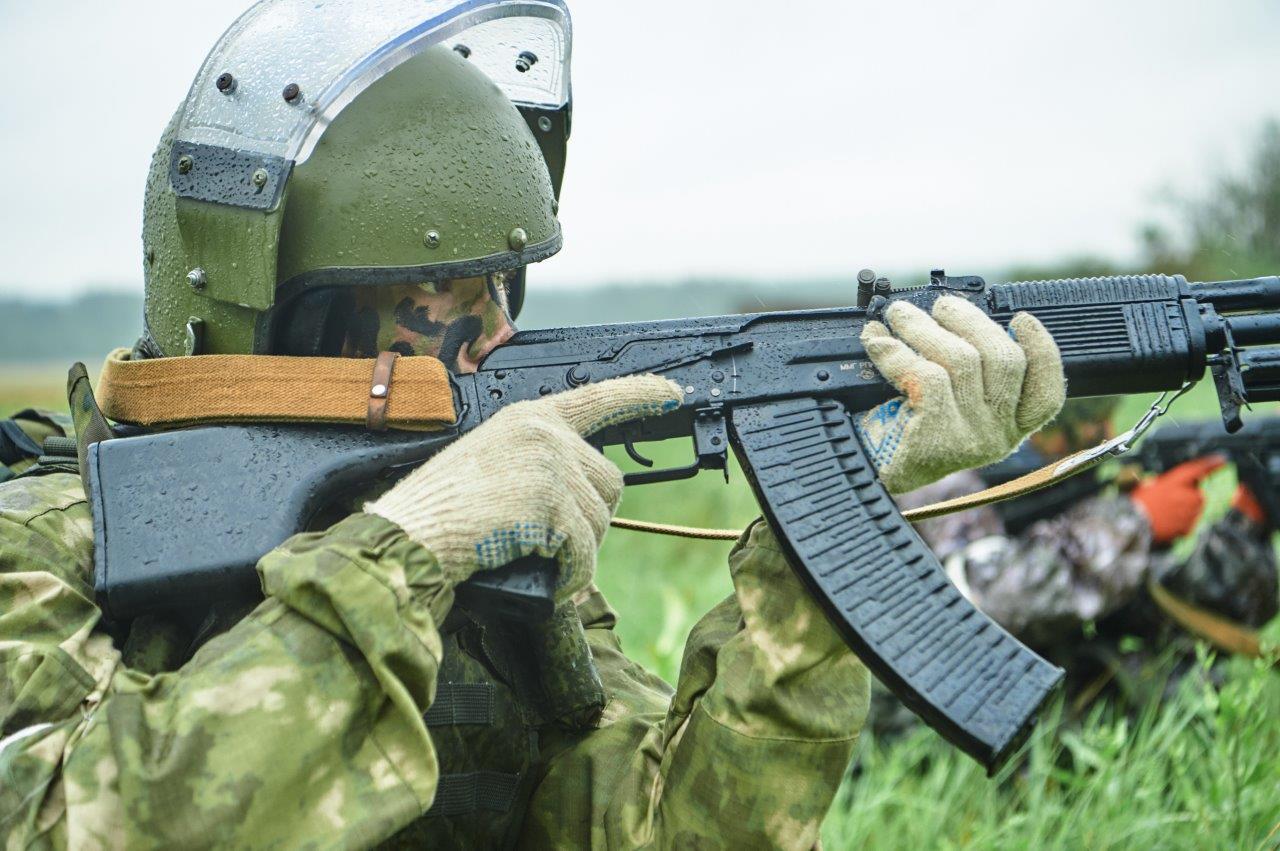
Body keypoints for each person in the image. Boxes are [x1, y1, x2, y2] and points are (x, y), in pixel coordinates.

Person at [0, 3, 1066, 847]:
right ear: (286, 314)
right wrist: (398, 552)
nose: (498, 333)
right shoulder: (40, 552)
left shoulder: (487, 556)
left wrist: (810, 575)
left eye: (506, 284)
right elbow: (75, 825)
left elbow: (666, 834)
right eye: (443, 291)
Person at [881, 398, 1279, 732]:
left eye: (1106, 414)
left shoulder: (1067, 476)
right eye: (1084, 420)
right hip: (923, 718)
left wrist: (1251, 517)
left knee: (1177, 673)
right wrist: (1135, 520)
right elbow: (992, 602)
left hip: (1015, 708)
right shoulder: (938, 469)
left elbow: (1175, 614)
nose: (1104, 431)